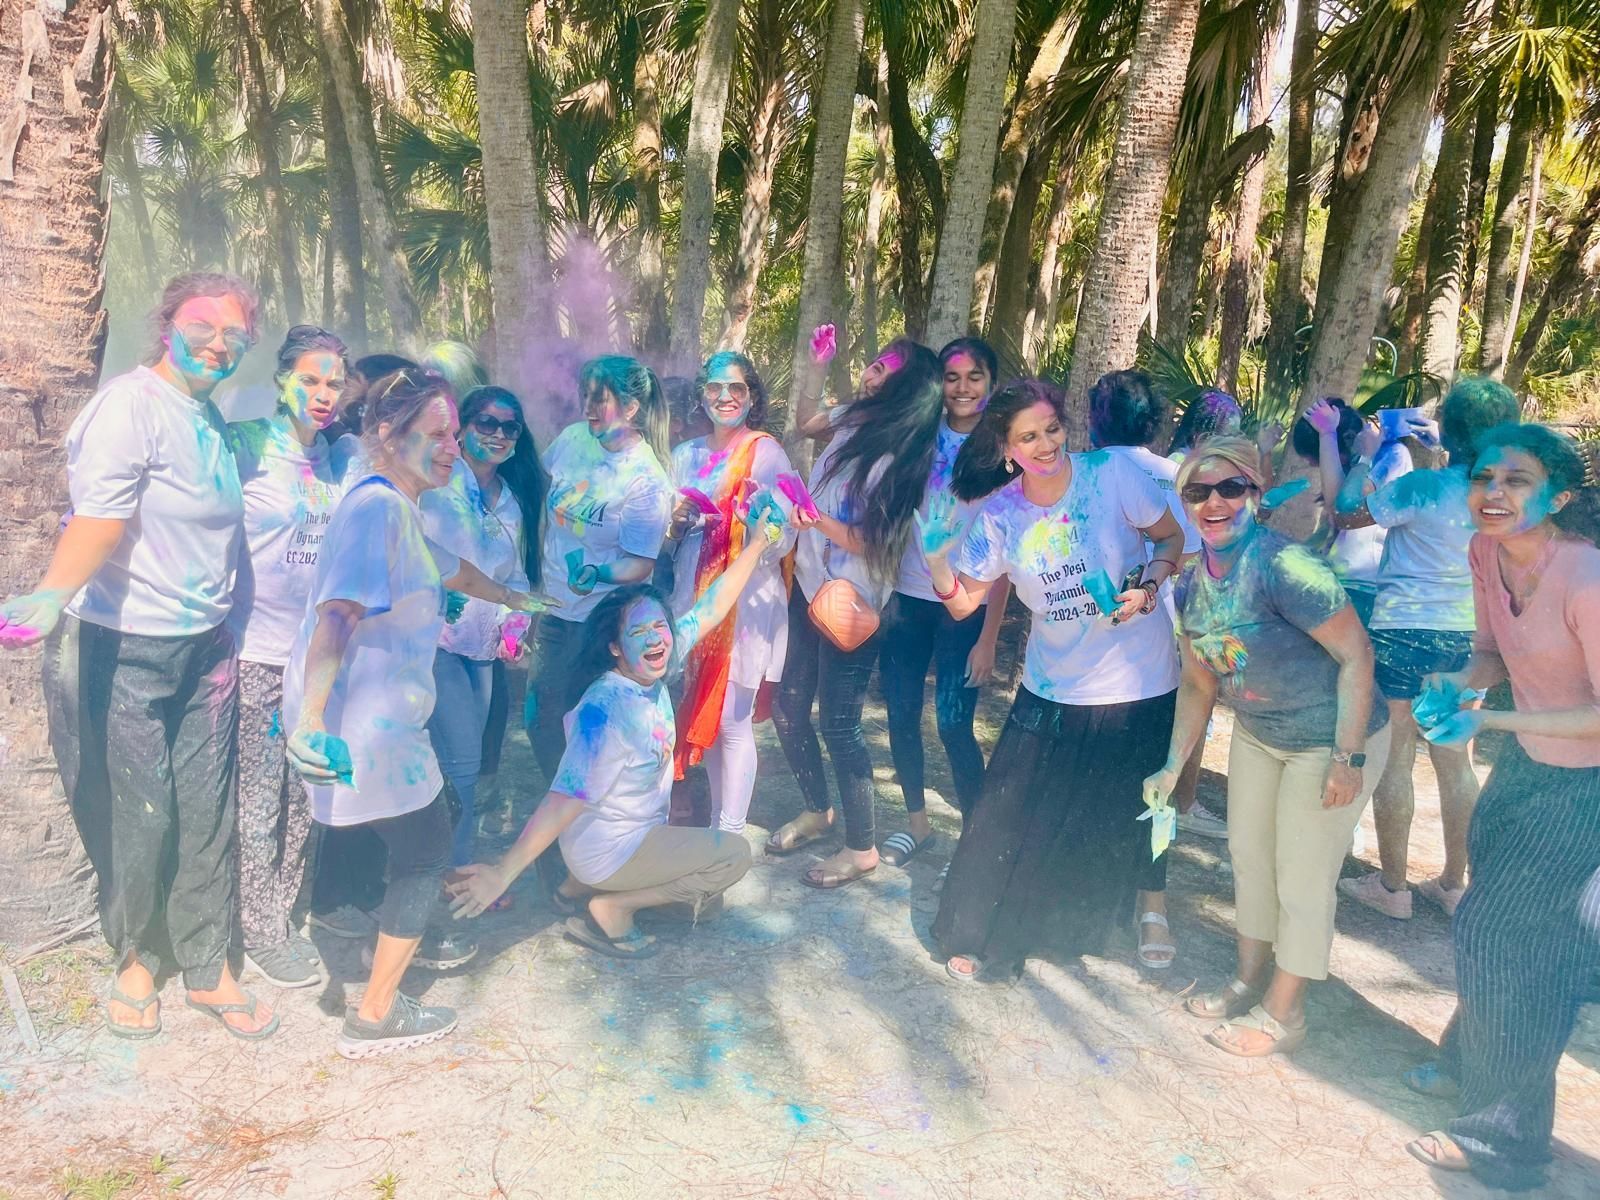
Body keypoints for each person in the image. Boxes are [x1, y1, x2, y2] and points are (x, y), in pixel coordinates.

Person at [1, 272, 276, 1040]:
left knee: (205, 809)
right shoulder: (130, 405)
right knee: (139, 816)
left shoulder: (212, 420)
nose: (219, 343)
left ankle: (206, 962)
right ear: (167, 325)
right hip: (123, 646)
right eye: (203, 325)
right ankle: (135, 960)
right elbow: (100, 518)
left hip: (205, 649)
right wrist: (53, 593)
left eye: (235, 335)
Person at [283, 367, 552, 1059]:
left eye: (454, 436)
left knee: (429, 828)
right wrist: (310, 720)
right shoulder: (375, 509)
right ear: (383, 434)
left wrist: (517, 601)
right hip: (364, 726)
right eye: (438, 435)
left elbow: (452, 569)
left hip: (381, 724)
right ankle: (374, 1015)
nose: (453, 449)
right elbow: (337, 615)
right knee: (429, 850)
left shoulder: (395, 508)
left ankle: (359, 939)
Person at [920, 379, 1187, 980]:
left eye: (1052, 429)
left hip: (1139, 680)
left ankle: (1148, 913)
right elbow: (964, 604)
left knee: (1133, 811)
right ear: (1007, 448)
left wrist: (1147, 588)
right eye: (1028, 437)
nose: (1046, 445)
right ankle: (985, 931)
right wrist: (938, 560)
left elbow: (1170, 539)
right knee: (1009, 814)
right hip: (1054, 685)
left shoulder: (1112, 477)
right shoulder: (1002, 513)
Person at [445, 501, 791, 956]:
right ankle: (612, 908)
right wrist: (503, 871)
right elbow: (562, 799)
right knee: (733, 856)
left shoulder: (655, 660)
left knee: (706, 905)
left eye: (659, 627)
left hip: (617, 840)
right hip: (609, 848)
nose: (655, 638)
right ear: (614, 647)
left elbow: (712, 605)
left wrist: (756, 543)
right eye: (639, 632)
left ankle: (575, 888)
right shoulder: (606, 711)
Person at [1399, 424, 1600, 1192]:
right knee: (1499, 921)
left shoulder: (1585, 579)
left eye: (1517, 481)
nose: (1494, 493)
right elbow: (1490, 648)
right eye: (1485, 477)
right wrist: (1458, 688)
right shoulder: (1487, 553)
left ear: (1560, 497)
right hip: (1528, 768)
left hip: (1587, 788)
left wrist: (1491, 721)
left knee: (1506, 936)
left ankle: (1505, 1143)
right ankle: (1471, 1063)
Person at [1146, 436, 1389, 1057]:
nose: (1215, 502)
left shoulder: (1285, 566)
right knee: (1249, 857)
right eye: (1199, 492)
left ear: (1256, 495)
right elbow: (1200, 684)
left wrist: (1348, 756)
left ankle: (1286, 1015)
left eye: (1231, 488)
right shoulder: (1190, 585)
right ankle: (1249, 978)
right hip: (1260, 734)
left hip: (1330, 736)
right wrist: (1174, 766)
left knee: (1302, 876)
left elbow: (1356, 655)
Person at [1327, 380, 1520, 920]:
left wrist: (1369, 457)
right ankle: (1454, 883)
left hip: (1403, 631)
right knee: (1457, 762)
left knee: (1398, 758)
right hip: (1471, 641)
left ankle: (1393, 889)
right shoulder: (1504, 499)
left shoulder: (1422, 489)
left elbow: (1346, 513)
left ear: (1448, 432)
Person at [767, 342, 945, 888]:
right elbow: (804, 422)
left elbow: (873, 542)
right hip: (809, 585)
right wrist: (816, 363)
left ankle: (861, 846)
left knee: (839, 723)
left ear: (909, 391)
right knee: (788, 707)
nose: (871, 376)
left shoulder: (903, 453)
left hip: (855, 603)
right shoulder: (850, 419)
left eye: (885, 373)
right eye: (874, 364)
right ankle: (818, 811)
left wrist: (814, 520)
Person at [226, 324, 355, 988]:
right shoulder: (245, 445)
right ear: (281, 379)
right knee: (259, 797)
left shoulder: (341, 457)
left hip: (317, 661)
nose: (323, 393)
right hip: (254, 657)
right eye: (309, 379)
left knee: (306, 792)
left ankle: (287, 913)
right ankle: (260, 932)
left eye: (334, 382)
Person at [877, 337, 1010, 867]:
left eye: (974, 376)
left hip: (966, 609)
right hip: (906, 601)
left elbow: (1005, 563)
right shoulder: (917, 436)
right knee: (901, 712)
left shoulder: (1004, 454)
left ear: (990, 384)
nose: (961, 387)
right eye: (952, 377)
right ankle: (917, 826)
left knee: (954, 724)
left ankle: (978, 839)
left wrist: (988, 639)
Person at [1087, 369, 1204, 969]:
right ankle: (1149, 904)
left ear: (1093, 418)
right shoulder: (1174, 477)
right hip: (1158, 660)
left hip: (1095, 667)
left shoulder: (1085, 475)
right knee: (1152, 787)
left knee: (1105, 783)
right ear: (1155, 419)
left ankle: (1112, 895)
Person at [525, 357, 675, 791]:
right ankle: (565, 806)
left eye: (600, 399)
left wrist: (597, 571)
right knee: (539, 720)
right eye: (585, 396)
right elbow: (540, 493)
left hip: (600, 622)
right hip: (555, 610)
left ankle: (582, 818)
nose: (588, 407)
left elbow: (640, 563)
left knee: (589, 727)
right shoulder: (573, 439)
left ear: (630, 408)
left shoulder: (645, 478)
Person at [665, 351, 797, 835]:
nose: (725, 397)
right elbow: (670, 532)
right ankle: (721, 827)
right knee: (711, 719)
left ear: (752, 397)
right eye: (715, 388)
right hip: (694, 601)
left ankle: (731, 833)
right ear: (703, 396)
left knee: (733, 722)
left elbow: (786, 535)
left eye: (736, 389)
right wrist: (676, 524)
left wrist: (754, 528)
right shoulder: (686, 456)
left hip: (746, 605)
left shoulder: (766, 453)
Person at [421, 385, 546, 865]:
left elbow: (512, 574)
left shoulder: (512, 499)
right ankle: (455, 869)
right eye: (486, 424)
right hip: (436, 641)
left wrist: (515, 627)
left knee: (464, 763)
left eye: (508, 427)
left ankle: (446, 865)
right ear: (463, 428)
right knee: (461, 763)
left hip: (482, 647)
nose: (497, 434)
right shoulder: (437, 484)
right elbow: (413, 548)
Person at [1293, 397, 1410, 625]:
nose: (1314, 466)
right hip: (1341, 582)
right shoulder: (1356, 460)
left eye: (1318, 460)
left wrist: (1328, 435)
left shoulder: (1392, 455)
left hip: (1369, 586)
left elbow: (1342, 508)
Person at [795, 337, 919, 440]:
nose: (875, 383)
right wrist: (818, 367)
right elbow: (806, 425)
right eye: (877, 369)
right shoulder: (851, 417)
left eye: (892, 381)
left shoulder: (900, 446)